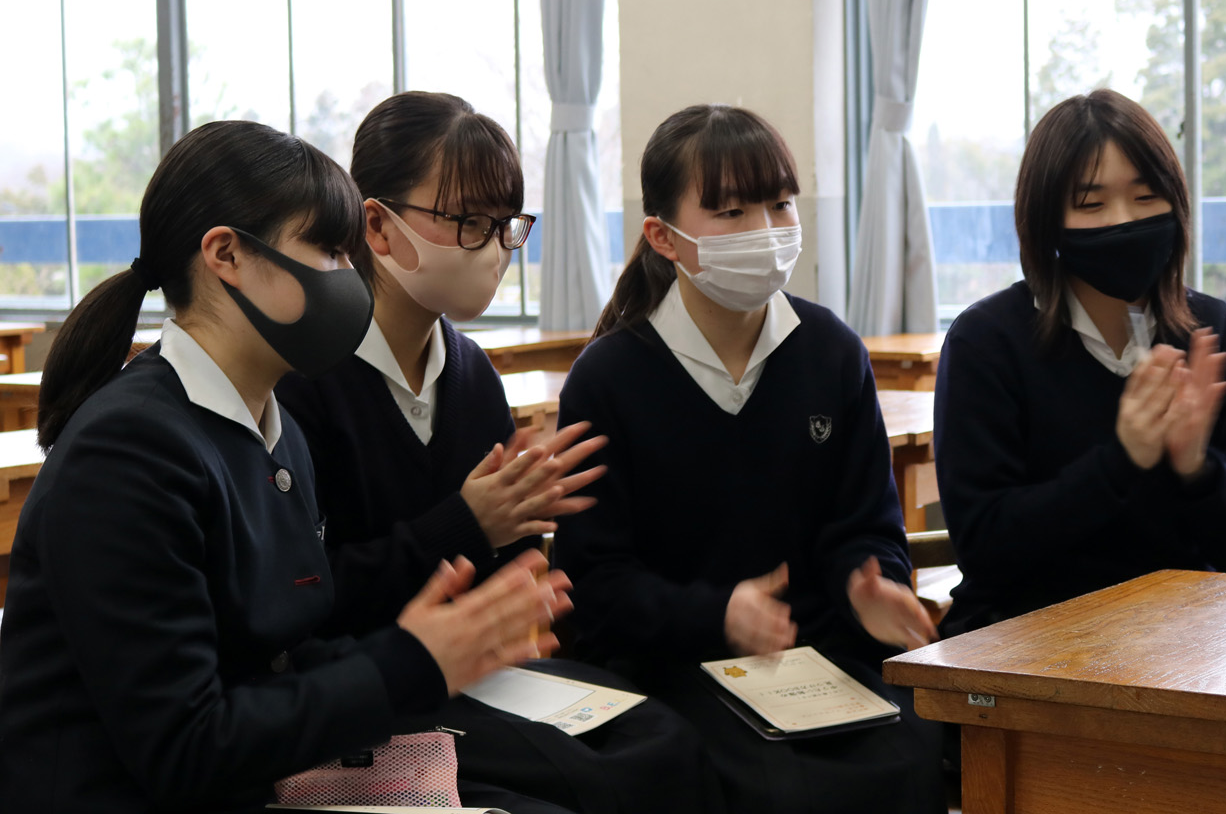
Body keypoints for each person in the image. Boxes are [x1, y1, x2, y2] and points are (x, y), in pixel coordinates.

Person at [0, 121, 568, 814]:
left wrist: (437, 650)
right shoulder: (127, 453)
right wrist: (409, 661)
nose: (351, 281)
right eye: (329, 252)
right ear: (226, 254)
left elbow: (277, 658)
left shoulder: (274, 431)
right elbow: (186, 746)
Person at [275, 90, 725, 814]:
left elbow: (492, 565)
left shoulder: (470, 372)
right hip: (360, 685)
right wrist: (466, 524)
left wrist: (524, 581)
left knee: (661, 738)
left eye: (504, 224)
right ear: (379, 226)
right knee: (605, 780)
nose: (493, 249)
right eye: (467, 223)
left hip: (476, 675)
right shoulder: (307, 382)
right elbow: (304, 600)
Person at [552, 104, 946, 814]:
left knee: (912, 752)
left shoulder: (831, 351)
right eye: (731, 212)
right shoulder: (609, 378)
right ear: (662, 238)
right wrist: (718, 614)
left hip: (819, 667)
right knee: (762, 785)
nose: (765, 231)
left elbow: (867, 525)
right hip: (672, 669)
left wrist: (874, 585)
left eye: (780, 204)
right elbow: (595, 583)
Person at [934, 88, 1226, 637]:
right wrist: (1122, 460)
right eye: (1091, 203)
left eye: (1146, 195)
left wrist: (1198, 468)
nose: (1123, 220)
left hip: (1185, 641)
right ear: (1046, 218)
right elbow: (986, 547)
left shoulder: (1213, 332)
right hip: (1026, 644)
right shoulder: (988, 341)